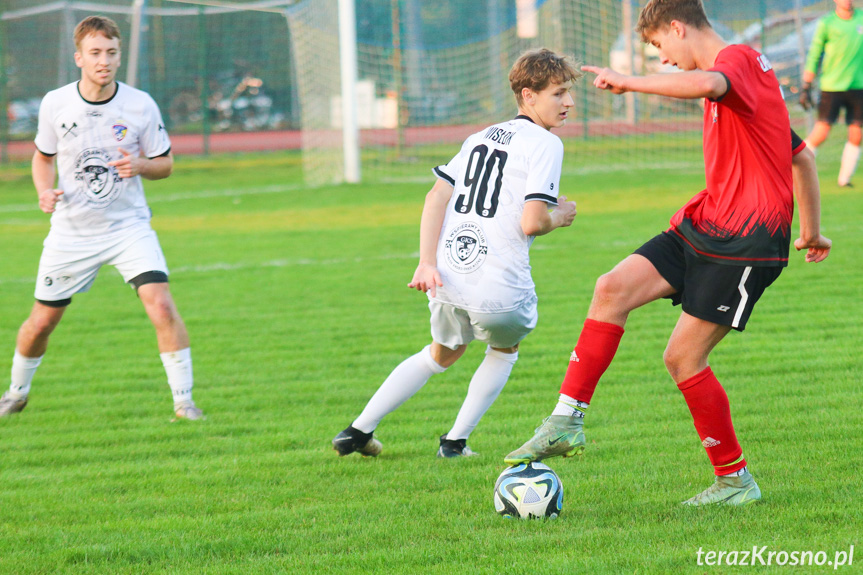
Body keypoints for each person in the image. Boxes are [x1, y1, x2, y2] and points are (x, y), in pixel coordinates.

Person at [505, 0, 832, 505]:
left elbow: (707, 84)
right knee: (610, 288)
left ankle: (735, 482)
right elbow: (802, 156)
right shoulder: (743, 80)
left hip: (746, 242)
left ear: (678, 28)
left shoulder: (738, 61)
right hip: (705, 222)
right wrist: (811, 231)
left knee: (682, 359)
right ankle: (566, 420)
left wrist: (629, 80)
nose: (664, 59)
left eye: (659, 46)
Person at [333, 49, 579, 458]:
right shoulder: (546, 144)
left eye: (568, 93)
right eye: (558, 93)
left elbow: (436, 196)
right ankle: (454, 442)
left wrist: (425, 262)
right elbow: (532, 222)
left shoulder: (480, 136)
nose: (568, 102)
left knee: (441, 353)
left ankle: (357, 431)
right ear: (528, 95)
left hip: (449, 274)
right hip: (498, 282)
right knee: (504, 350)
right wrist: (562, 215)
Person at [0, 16, 203, 421]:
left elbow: (165, 164)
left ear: (118, 55)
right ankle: (16, 393)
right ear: (79, 57)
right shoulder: (56, 103)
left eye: (111, 53)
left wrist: (142, 166)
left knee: (161, 305)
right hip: (72, 234)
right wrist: (44, 190)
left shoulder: (140, 104)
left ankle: (184, 402)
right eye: (95, 53)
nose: (104, 61)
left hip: (129, 229)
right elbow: (43, 159)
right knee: (40, 323)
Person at [799, 0, 863, 187]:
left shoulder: (861, 19)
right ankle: (794, 167)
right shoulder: (827, 23)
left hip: (858, 87)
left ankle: (844, 180)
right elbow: (815, 54)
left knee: (856, 133)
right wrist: (806, 85)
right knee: (821, 132)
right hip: (832, 86)